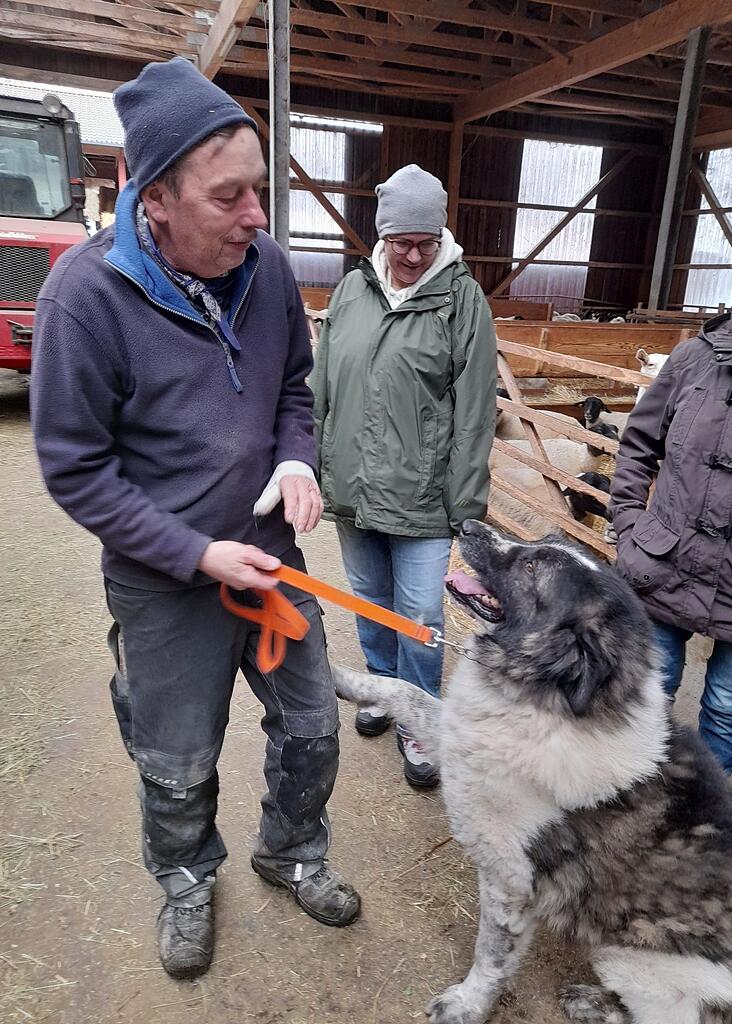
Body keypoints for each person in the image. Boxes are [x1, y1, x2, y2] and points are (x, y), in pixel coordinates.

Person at [30, 57, 360, 982]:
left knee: (313, 726)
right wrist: (191, 552)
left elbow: (294, 386)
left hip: (268, 560)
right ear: (155, 196)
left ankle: (290, 851)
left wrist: (296, 454)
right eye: (230, 197)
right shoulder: (84, 299)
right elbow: (76, 467)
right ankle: (185, 876)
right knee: (176, 756)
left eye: (261, 188)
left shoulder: (269, 271)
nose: (258, 214)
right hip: (166, 583)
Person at [310, 164, 497, 788]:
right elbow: (322, 385)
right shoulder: (352, 291)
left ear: (441, 233)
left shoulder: (462, 300)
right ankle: (382, 693)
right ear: (380, 237)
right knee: (369, 599)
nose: (413, 254)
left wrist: (464, 508)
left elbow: (474, 411)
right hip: (355, 487)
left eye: (424, 241)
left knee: (420, 615)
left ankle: (418, 718)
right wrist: (311, 463)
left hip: (423, 498)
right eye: (400, 242)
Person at [610, 212, 732, 775]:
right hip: (666, 563)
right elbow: (636, 445)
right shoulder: (692, 359)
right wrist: (629, 527)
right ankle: (635, 801)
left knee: (727, 706)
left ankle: (707, 816)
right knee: (649, 692)